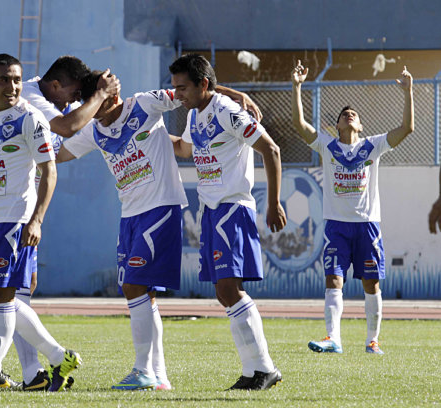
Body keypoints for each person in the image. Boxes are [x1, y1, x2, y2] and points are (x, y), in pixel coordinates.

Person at [56, 69, 257, 391]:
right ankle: (157, 375)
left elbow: (192, 92)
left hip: (160, 208)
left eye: (90, 99)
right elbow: (58, 154)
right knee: (141, 294)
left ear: (111, 95)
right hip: (130, 216)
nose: (86, 107)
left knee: (134, 287)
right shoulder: (93, 131)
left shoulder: (146, 104)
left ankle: (143, 370)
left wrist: (234, 94)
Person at [0, 55, 120, 391]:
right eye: (3, 80)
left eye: (16, 79)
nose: (12, 86)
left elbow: (51, 169)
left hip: (14, 217)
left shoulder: (30, 117)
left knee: (3, 297)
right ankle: (57, 358)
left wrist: (37, 221)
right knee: (1, 298)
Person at [169, 53, 286, 391]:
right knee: (224, 293)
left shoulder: (228, 112)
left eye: (183, 88)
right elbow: (185, 150)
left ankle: (264, 369)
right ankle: (254, 371)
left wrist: (273, 202)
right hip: (211, 212)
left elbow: (271, 150)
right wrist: (151, 140)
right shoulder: (194, 115)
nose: (178, 94)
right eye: (175, 88)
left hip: (233, 209)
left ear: (203, 84)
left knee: (228, 289)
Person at [291, 60, 414, 355]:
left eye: (354, 114)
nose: (349, 115)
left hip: (367, 225)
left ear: (360, 126)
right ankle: (333, 338)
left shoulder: (373, 146)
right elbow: (300, 126)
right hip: (336, 224)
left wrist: (408, 93)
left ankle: (373, 341)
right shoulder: (327, 146)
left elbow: (407, 128)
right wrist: (296, 87)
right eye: (344, 114)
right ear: (337, 126)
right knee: (334, 279)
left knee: (371, 284)